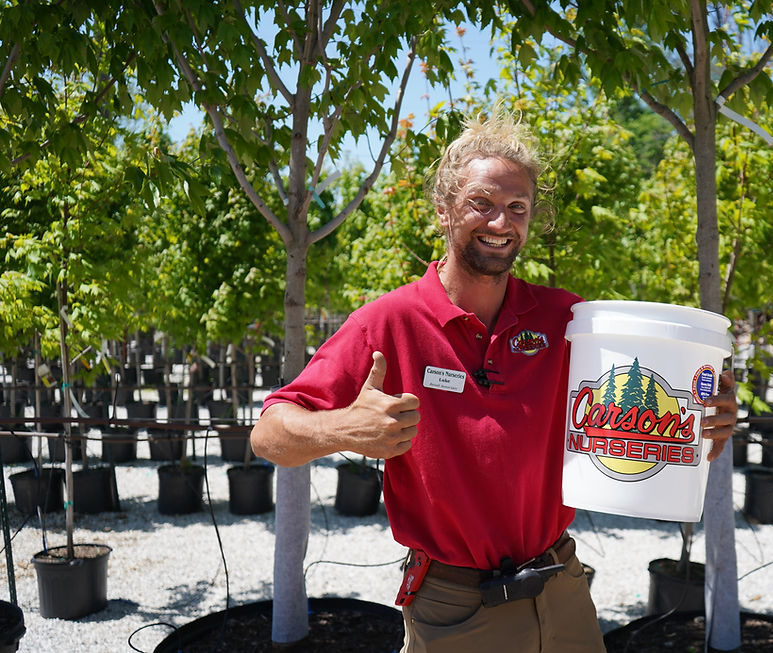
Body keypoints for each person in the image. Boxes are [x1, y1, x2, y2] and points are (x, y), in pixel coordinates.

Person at [250, 107, 738, 653]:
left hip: (563, 589)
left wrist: (702, 423)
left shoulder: (567, 321)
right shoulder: (388, 322)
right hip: (457, 606)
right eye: (481, 203)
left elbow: (638, 424)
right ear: (443, 210)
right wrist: (341, 429)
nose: (501, 223)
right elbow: (268, 434)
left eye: (517, 208)